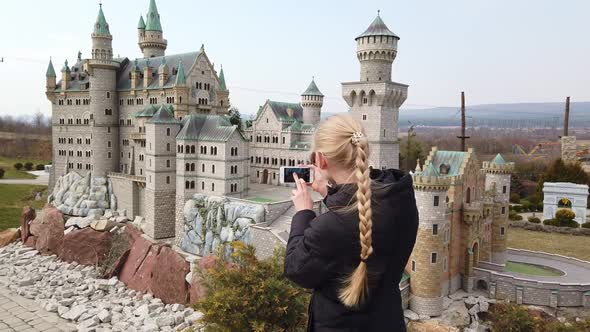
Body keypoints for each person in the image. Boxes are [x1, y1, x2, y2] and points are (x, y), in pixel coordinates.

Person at [284, 114, 419, 331]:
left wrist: (303, 213)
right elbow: (358, 213)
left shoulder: (329, 228)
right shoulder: (400, 198)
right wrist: (330, 195)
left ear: (320, 160)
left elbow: (296, 268)